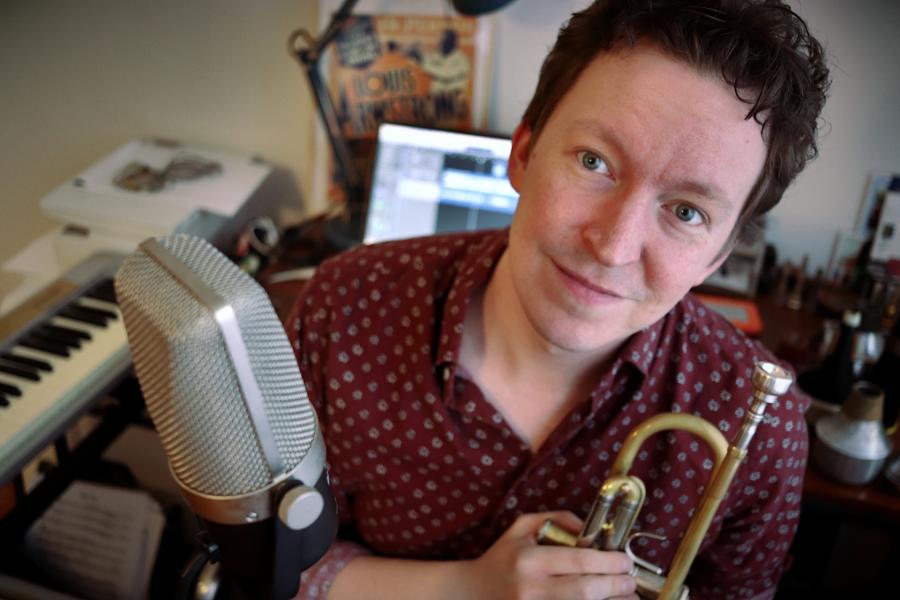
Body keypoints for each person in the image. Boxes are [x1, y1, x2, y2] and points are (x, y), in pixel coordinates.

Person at [287, 0, 830, 598]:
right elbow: (277, 562)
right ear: (523, 153)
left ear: (717, 258)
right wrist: (467, 590)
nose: (612, 247)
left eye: (686, 212)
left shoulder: (762, 425)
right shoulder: (343, 307)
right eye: (594, 162)